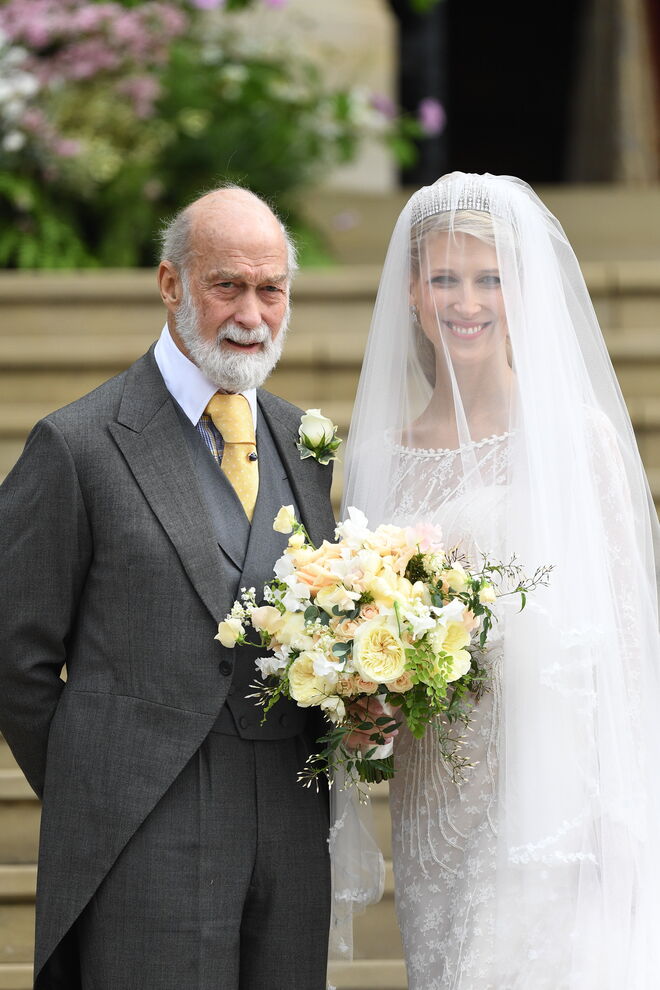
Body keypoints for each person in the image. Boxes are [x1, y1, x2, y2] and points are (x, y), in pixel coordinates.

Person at [0, 185, 335, 989]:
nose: (251, 313)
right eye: (227, 285)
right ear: (171, 284)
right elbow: (16, 658)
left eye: (271, 288)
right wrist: (106, 782)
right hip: (143, 826)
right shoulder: (76, 444)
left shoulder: (305, 440)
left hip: (290, 829)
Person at [338, 173, 660, 988]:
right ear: (412, 290)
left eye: (490, 279)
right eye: (445, 277)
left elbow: (628, 638)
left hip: (555, 793)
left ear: (524, 292)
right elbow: (362, 618)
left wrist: (626, 821)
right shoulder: (378, 457)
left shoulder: (575, 438)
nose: (467, 301)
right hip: (435, 795)